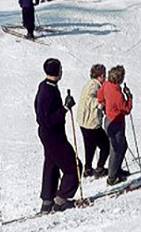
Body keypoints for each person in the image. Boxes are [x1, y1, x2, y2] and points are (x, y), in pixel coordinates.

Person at [34, 58, 82, 214]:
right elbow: (45, 119)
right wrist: (64, 108)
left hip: (49, 134)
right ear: (58, 71)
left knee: (52, 164)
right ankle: (60, 200)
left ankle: (47, 201)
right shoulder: (48, 91)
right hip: (53, 135)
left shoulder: (46, 86)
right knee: (74, 166)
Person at [97, 65, 132, 186]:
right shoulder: (117, 94)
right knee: (116, 149)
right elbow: (126, 110)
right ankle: (112, 177)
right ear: (120, 78)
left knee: (122, 146)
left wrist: (105, 106)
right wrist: (129, 97)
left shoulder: (106, 85)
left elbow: (100, 97)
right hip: (117, 122)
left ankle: (116, 170)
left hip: (109, 120)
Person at [77, 64, 110, 179]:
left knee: (89, 144)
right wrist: (102, 103)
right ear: (100, 76)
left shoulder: (89, 83)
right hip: (91, 122)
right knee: (106, 145)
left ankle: (88, 168)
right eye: (104, 75)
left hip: (82, 121)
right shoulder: (94, 86)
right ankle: (100, 168)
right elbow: (90, 100)